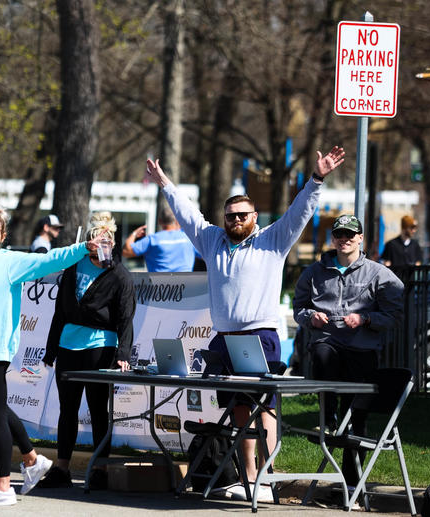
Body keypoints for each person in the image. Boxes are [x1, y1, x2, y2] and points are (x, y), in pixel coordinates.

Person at [145, 146, 345, 502]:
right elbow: (188, 215)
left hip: (260, 334)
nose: (236, 221)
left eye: (242, 215)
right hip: (225, 337)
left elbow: (300, 213)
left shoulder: (272, 240)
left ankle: (266, 479)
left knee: (263, 404)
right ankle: (248, 476)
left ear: (254, 216)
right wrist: (165, 184)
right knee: (237, 407)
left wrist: (317, 178)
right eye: (230, 216)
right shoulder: (212, 241)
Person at [0, 205, 105, 506]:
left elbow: (51, 259)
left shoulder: (10, 263)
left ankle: (3, 487)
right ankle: (33, 461)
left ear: (3, 236)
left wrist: (83, 248)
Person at [293, 214, 404, 488]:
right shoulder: (314, 272)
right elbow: (299, 308)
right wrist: (311, 317)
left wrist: (366, 319)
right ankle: (328, 416)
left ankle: (351, 483)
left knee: (356, 417)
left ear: (360, 238)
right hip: (328, 342)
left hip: (361, 351)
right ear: (333, 238)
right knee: (321, 352)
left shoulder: (379, 274)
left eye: (350, 235)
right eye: (339, 234)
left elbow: (394, 316)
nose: (344, 239)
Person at [38, 212, 135, 490]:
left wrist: (123, 354)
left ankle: (100, 470)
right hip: (68, 345)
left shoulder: (119, 275)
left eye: (107, 239)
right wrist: (51, 348)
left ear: (113, 243)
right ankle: (62, 468)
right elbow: (59, 311)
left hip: (100, 347)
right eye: (96, 239)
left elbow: (126, 318)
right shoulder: (73, 266)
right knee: (67, 409)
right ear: (89, 242)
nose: (101, 244)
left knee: (97, 410)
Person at [122, 207, 199, 272]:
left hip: (159, 288)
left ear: (159, 221)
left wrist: (134, 234)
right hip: (187, 287)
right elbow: (206, 254)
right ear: (177, 221)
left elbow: (126, 251)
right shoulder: (189, 239)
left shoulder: (152, 240)